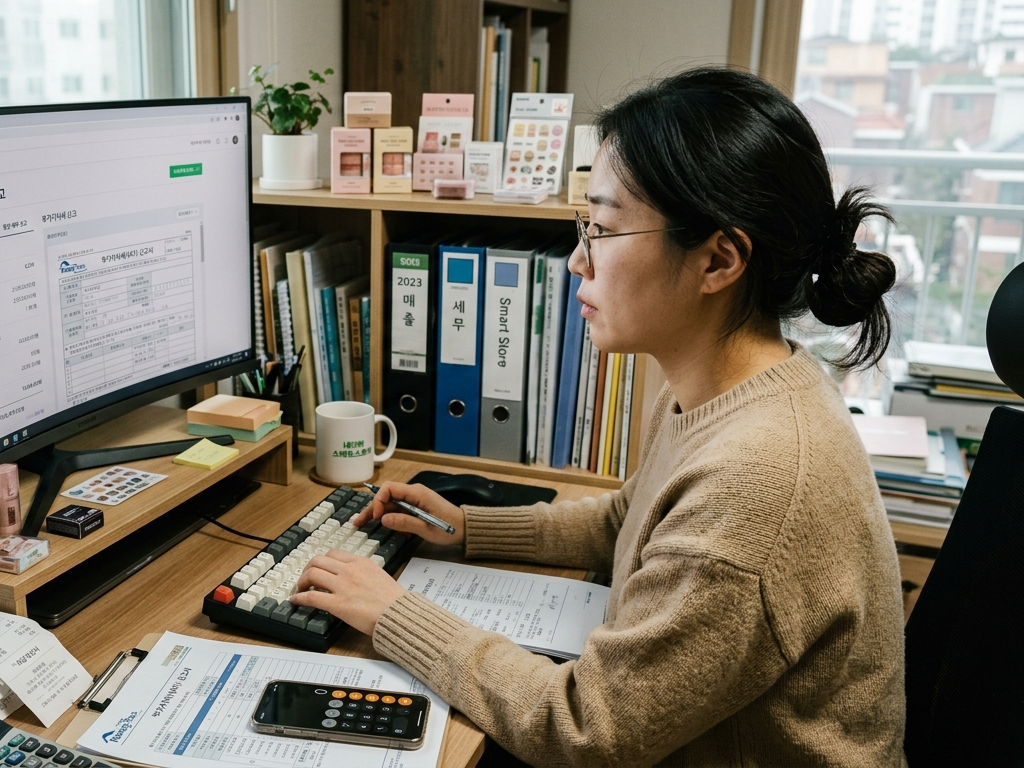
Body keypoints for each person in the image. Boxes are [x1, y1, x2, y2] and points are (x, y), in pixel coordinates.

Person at [289, 67, 907, 767]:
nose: (578, 260)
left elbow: (585, 727)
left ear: (719, 260)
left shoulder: (759, 475)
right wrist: (469, 530)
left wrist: (393, 613)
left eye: (605, 229)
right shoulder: (724, 383)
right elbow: (631, 521)